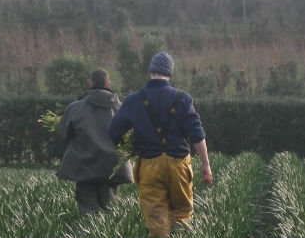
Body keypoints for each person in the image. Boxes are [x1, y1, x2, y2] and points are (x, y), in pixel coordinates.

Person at [109, 52, 214, 238]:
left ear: (151, 72)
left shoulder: (134, 100)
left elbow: (113, 132)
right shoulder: (183, 99)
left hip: (149, 165)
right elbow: (197, 134)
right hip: (179, 165)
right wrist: (206, 165)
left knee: (157, 224)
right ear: (169, 74)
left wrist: (130, 143)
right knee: (182, 216)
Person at [56, 69, 134, 215]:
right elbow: (131, 137)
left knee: (88, 215)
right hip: (113, 169)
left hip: (84, 168)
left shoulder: (74, 108)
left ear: (90, 83)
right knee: (111, 216)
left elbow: (62, 135)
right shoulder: (123, 108)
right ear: (108, 84)